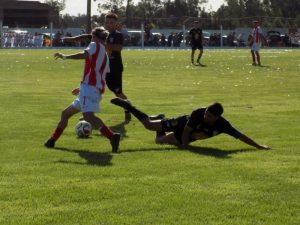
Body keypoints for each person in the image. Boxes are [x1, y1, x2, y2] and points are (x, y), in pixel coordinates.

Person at [44, 27, 121, 153]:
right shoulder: (105, 54)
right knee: (65, 114)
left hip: (89, 88)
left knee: (88, 116)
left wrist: (65, 57)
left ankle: (112, 137)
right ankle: (52, 141)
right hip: (91, 89)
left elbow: (83, 55)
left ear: (94, 37)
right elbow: (100, 75)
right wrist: (82, 89)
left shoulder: (94, 44)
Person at [110, 98, 271, 150]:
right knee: (149, 125)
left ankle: (159, 116)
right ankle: (129, 106)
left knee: (158, 142)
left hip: (188, 136)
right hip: (181, 124)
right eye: (206, 112)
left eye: (209, 115)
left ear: (216, 118)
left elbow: (240, 136)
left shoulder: (223, 125)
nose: (205, 115)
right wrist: (186, 147)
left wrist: (259, 146)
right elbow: (186, 131)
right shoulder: (197, 113)